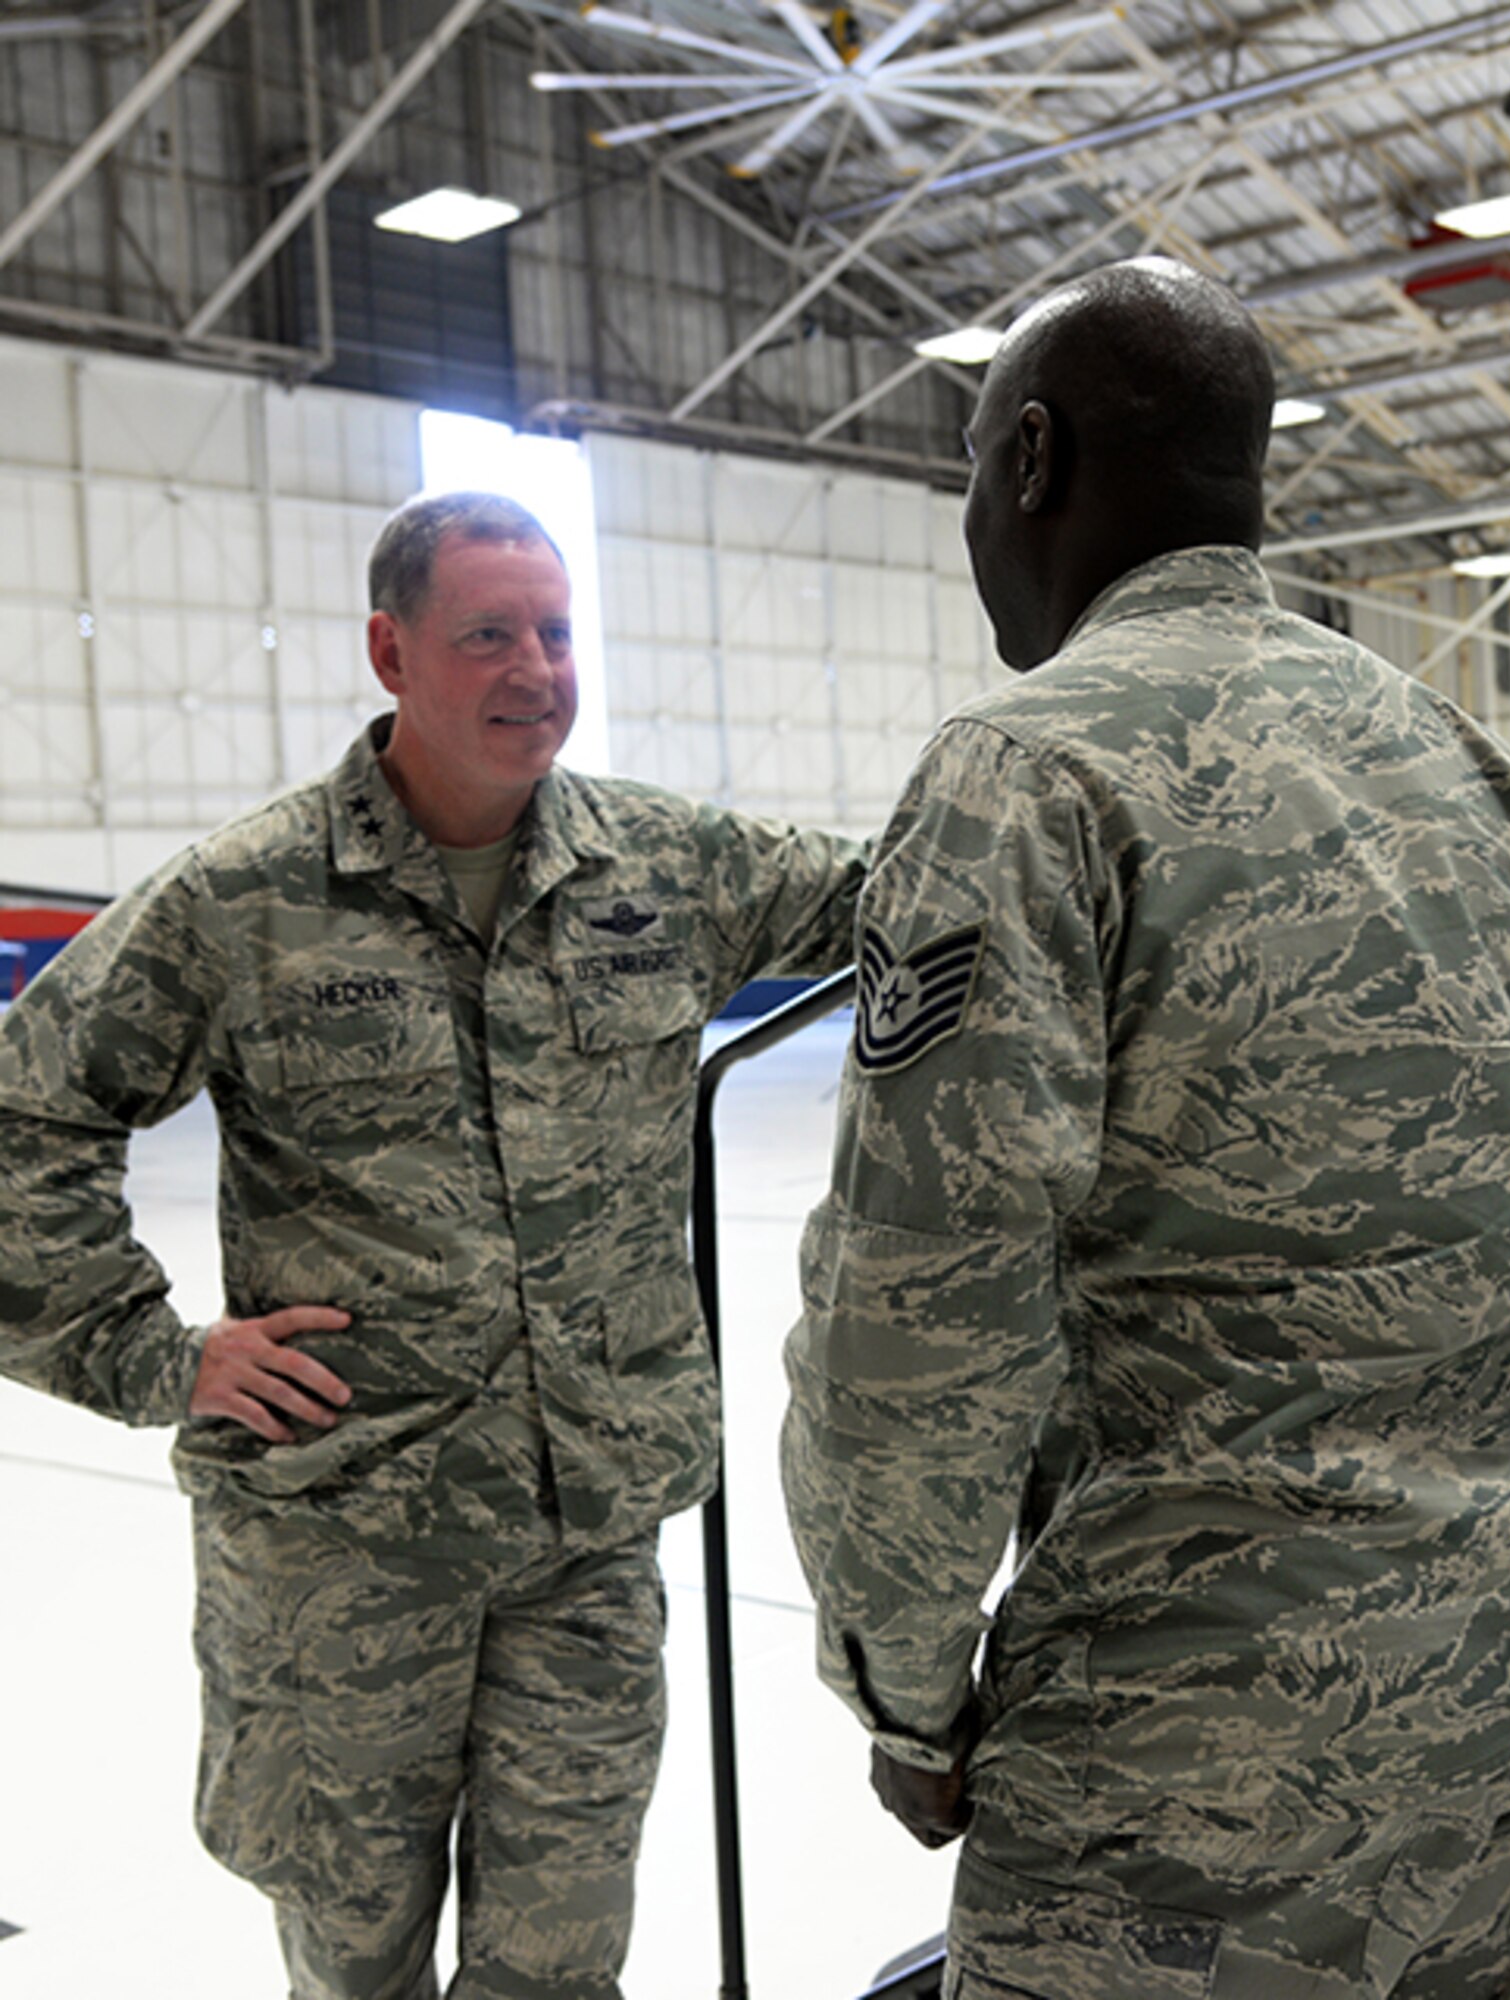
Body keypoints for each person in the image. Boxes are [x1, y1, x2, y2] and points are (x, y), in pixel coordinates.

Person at [780, 256, 1510, 1999]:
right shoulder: (1459, 763)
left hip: (1182, 1779)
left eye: (973, 466)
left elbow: (919, 1323)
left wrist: (907, 1697)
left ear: (1034, 460)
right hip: (1497, 1736)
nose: (974, 513)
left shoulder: (1026, 772)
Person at [0, 490, 866, 2000]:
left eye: (556, 632)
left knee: (561, 1966)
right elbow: (25, 1117)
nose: (537, 669)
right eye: (489, 635)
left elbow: (918, 902)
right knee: (356, 1965)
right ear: (391, 651)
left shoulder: (668, 870)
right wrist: (153, 1356)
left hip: (587, 1538)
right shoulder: (245, 900)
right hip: (346, 1546)